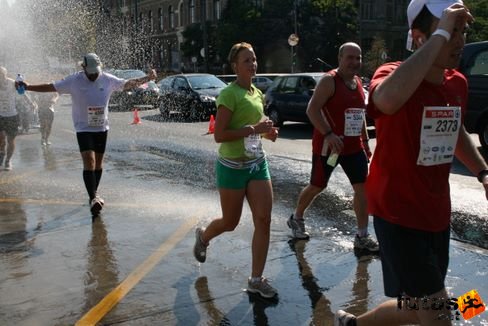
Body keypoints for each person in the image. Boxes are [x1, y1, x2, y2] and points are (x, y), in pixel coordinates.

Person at [334, 1, 488, 326]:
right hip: (397, 216)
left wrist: (483, 172)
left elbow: (456, 129)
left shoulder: (456, 82)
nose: (459, 40)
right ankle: (464, 309)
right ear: (419, 38)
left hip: (436, 214)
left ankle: (353, 323)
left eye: (461, 31)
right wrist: (441, 34)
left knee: (419, 307)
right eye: (450, 31)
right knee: (438, 314)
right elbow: (386, 101)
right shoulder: (390, 74)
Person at [17, 53, 157, 216]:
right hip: (83, 128)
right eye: (90, 72)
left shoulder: (107, 79)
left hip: (101, 128)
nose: (93, 75)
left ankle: (94, 194)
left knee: (98, 163)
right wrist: (28, 87)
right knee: (88, 160)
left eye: (95, 71)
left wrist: (148, 78)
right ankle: (94, 197)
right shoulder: (74, 80)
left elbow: (127, 84)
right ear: (83, 68)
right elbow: (51, 86)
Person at [193, 42, 279, 299]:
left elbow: (258, 129)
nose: (252, 64)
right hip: (232, 167)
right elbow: (220, 135)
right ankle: (204, 237)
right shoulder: (229, 94)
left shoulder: (257, 93)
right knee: (230, 222)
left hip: (256, 164)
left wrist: (269, 133)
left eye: (254, 59)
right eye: (246, 61)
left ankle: (256, 279)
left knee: (263, 220)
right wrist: (254, 129)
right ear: (235, 66)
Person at [288, 42, 379, 252]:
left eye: (358, 58)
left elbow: (359, 117)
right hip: (329, 148)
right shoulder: (330, 81)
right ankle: (297, 217)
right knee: (318, 186)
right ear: (340, 59)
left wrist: (365, 143)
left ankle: (362, 235)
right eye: (350, 58)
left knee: (362, 189)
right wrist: (328, 134)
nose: (355, 62)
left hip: (353, 148)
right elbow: (312, 110)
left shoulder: (357, 83)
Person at [0, 66, 36, 171]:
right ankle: (2, 153)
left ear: (6, 74)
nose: (1, 76)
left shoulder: (12, 83)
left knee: (11, 140)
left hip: (12, 115)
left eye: (2, 74)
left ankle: (8, 161)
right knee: (1, 139)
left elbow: (22, 93)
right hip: (0, 115)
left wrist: (31, 103)